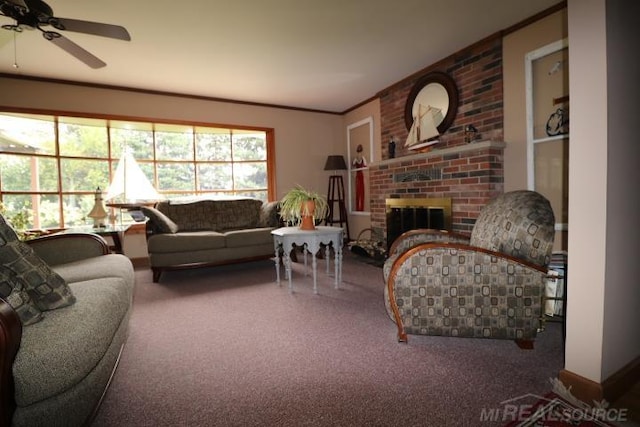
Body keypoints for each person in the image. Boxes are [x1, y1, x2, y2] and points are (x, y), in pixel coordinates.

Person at [352, 144, 367, 211]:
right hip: (357, 176)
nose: (359, 154)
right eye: (358, 152)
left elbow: (366, 165)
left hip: (361, 175)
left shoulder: (363, 158)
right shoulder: (355, 158)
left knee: (362, 192)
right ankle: (358, 208)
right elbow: (353, 164)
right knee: (358, 192)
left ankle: (361, 208)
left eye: (360, 152)